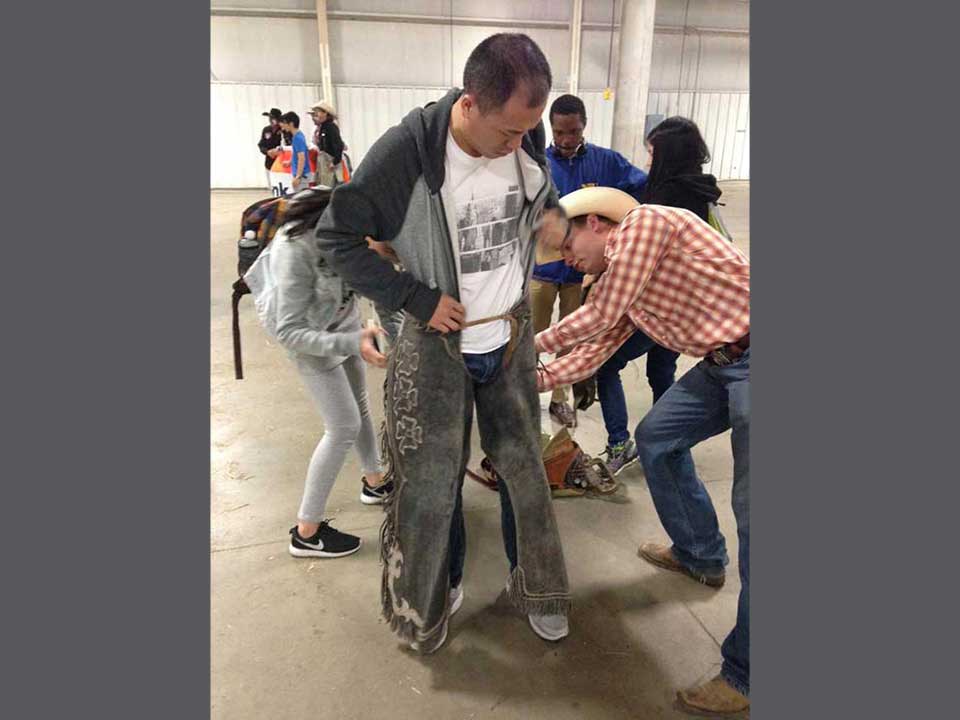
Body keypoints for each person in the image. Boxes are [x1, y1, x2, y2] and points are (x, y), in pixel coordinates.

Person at [314, 33, 571, 654]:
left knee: (525, 472)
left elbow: (533, 193)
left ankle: (538, 590)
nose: (520, 143)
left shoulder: (523, 134)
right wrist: (415, 299)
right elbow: (336, 238)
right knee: (432, 483)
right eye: (508, 132)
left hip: (509, 336)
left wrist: (551, 220)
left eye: (526, 132)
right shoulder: (407, 152)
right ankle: (433, 596)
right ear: (468, 105)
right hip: (437, 345)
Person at [535, 185, 750, 716]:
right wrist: (523, 379)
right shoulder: (622, 282)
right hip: (725, 364)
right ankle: (700, 553)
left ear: (597, 223)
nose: (567, 261)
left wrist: (519, 348)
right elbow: (591, 353)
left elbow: (598, 317)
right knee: (657, 438)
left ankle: (748, 677)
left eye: (567, 246)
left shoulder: (645, 224)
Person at [269, 188, 395, 559]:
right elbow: (288, 331)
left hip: (346, 328)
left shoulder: (351, 229)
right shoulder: (295, 251)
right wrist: (353, 342)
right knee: (342, 426)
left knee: (360, 406)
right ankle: (306, 532)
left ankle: (375, 482)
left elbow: (367, 275)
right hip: (311, 342)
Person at [596, 116, 723, 474]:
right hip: (686, 307)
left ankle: (620, 444)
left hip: (661, 304)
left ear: (666, 154)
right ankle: (670, 443)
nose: (648, 161)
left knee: (607, 365)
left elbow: (645, 263)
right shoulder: (702, 190)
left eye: (652, 153)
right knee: (661, 371)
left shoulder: (666, 199)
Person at [532, 93, 649, 429]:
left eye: (574, 131)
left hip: (581, 275)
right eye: (560, 133)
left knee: (572, 335)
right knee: (536, 333)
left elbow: (641, 188)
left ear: (584, 126)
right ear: (551, 129)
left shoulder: (606, 161)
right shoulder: (538, 163)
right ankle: (526, 393)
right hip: (542, 269)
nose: (568, 140)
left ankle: (559, 398)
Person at [308, 100, 346, 188]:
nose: (315, 116)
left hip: (330, 161)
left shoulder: (331, 127)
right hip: (324, 161)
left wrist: (335, 161)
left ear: (325, 113)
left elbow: (338, 145)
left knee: (329, 186)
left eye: (317, 113)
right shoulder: (322, 127)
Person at [279, 112, 310, 194]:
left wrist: (298, 177)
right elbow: (297, 153)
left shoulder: (298, 138)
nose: (283, 126)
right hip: (300, 174)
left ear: (291, 124)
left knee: (301, 201)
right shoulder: (297, 136)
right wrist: (290, 162)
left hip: (301, 176)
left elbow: (301, 158)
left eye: (285, 123)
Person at [257, 108, 284, 188]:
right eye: (270, 118)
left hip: (281, 163)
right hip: (269, 163)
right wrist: (267, 152)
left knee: (281, 185)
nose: (271, 120)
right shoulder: (266, 130)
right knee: (272, 186)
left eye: (273, 118)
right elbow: (261, 144)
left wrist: (277, 152)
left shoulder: (284, 130)